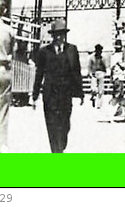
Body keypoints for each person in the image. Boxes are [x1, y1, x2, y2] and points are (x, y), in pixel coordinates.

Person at [31, 18, 84, 153]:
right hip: (50, 94)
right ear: (52, 35)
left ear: (65, 34)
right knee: (52, 124)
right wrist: (35, 94)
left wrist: (80, 93)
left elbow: (76, 72)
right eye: (56, 34)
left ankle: (61, 145)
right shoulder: (44, 52)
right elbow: (39, 74)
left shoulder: (72, 50)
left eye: (61, 34)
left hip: (66, 94)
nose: (59, 37)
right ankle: (56, 151)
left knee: (65, 125)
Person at [0, 0, 14, 152]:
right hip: (3, 69)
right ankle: (2, 143)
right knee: (3, 108)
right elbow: (12, 54)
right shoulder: (8, 30)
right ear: (4, 11)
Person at [87, 44, 107, 110]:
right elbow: (89, 66)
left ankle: (99, 104)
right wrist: (90, 73)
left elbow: (105, 67)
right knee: (94, 89)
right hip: (94, 73)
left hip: (100, 73)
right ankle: (93, 97)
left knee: (100, 90)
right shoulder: (91, 57)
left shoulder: (103, 58)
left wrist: (104, 73)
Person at [109, 38, 125, 116]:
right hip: (118, 77)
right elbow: (123, 65)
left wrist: (111, 77)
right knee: (118, 93)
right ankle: (113, 108)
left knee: (119, 93)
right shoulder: (118, 56)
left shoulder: (115, 56)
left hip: (118, 77)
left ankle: (119, 109)